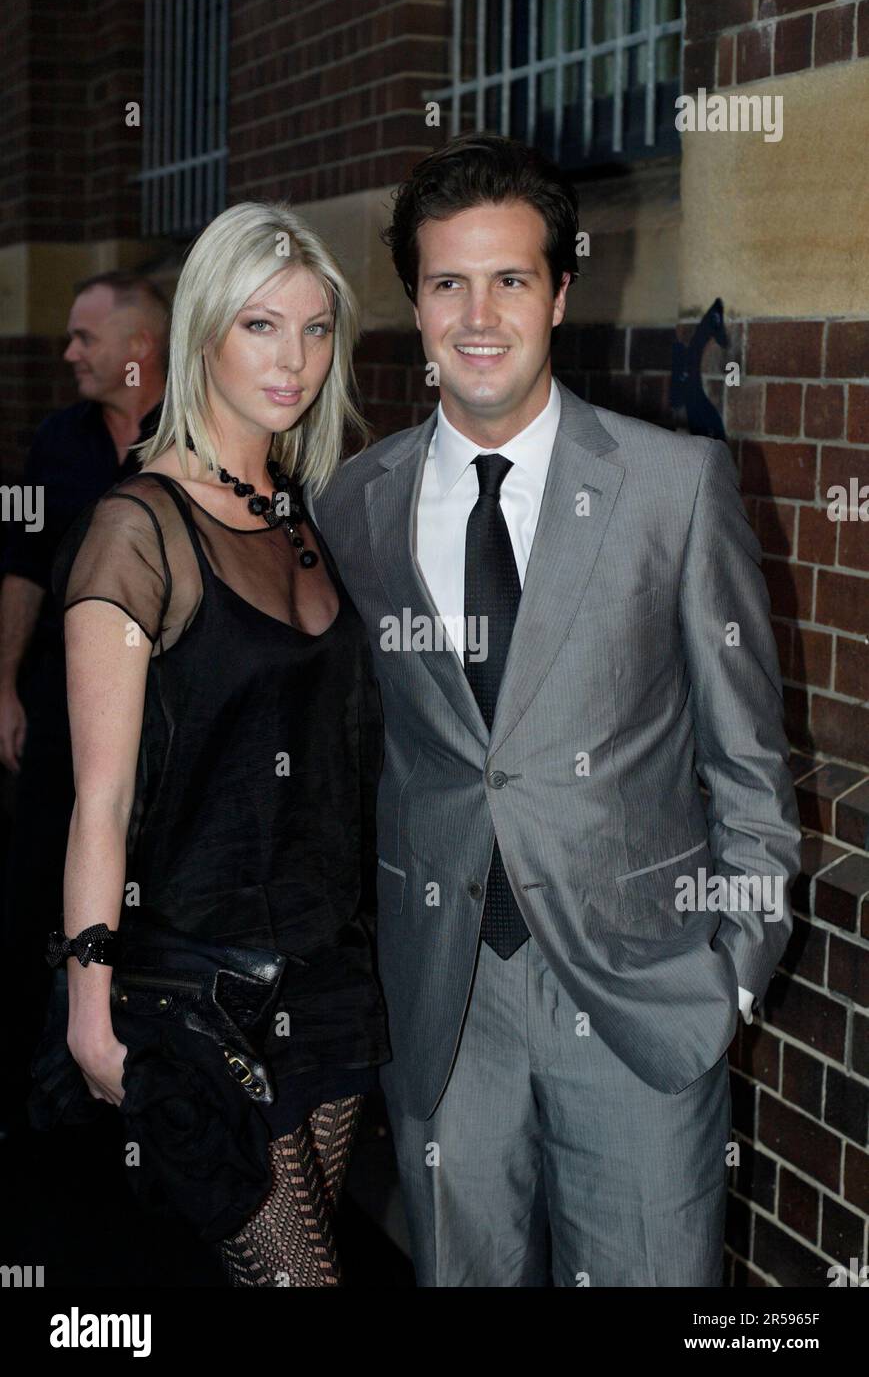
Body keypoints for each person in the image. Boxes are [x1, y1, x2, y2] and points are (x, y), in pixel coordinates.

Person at [308, 133, 802, 1287]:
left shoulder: (671, 488)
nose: (479, 316)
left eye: (510, 279)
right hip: (445, 1000)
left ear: (560, 290)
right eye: (447, 283)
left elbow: (746, 763)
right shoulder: (354, 504)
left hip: (642, 995)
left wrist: (732, 971)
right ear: (416, 302)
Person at [50, 201, 390, 1286]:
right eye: (260, 326)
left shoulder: (301, 517)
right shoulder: (139, 527)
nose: (293, 358)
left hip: (325, 983)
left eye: (315, 327)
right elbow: (99, 798)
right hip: (194, 996)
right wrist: (88, 1010)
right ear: (203, 333)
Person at [0, 272, 167, 1123]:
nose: (69, 353)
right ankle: (40, 1072)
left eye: (84, 338)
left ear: (139, 348)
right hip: (63, 710)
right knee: (36, 877)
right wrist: (4, 687)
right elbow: (24, 570)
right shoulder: (58, 441)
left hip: (166, 717)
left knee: (149, 883)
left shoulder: (194, 436)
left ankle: (139, 1071)